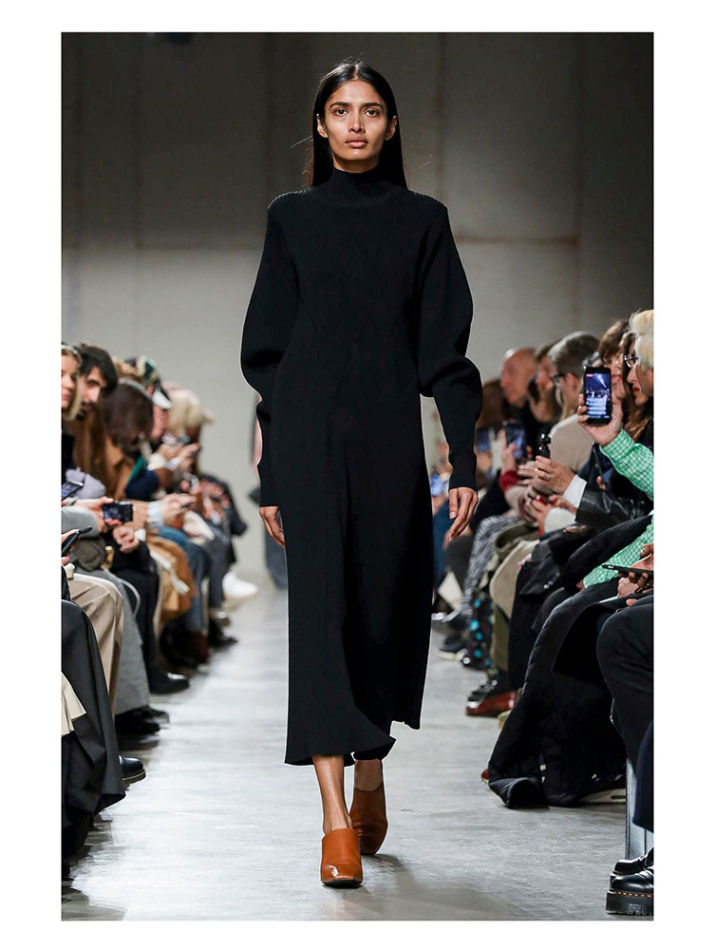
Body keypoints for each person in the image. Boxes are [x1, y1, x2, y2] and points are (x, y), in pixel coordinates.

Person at [240, 58, 482, 887]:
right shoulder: (290, 218)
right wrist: (273, 475)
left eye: (370, 111)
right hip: (309, 441)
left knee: (382, 610)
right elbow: (269, 356)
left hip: (386, 439)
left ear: (390, 125)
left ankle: (371, 765)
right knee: (320, 619)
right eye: (340, 110)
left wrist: (462, 456)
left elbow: (444, 352)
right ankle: (334, 821)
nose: (354, 124)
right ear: (320, 124)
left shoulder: (422, 221)